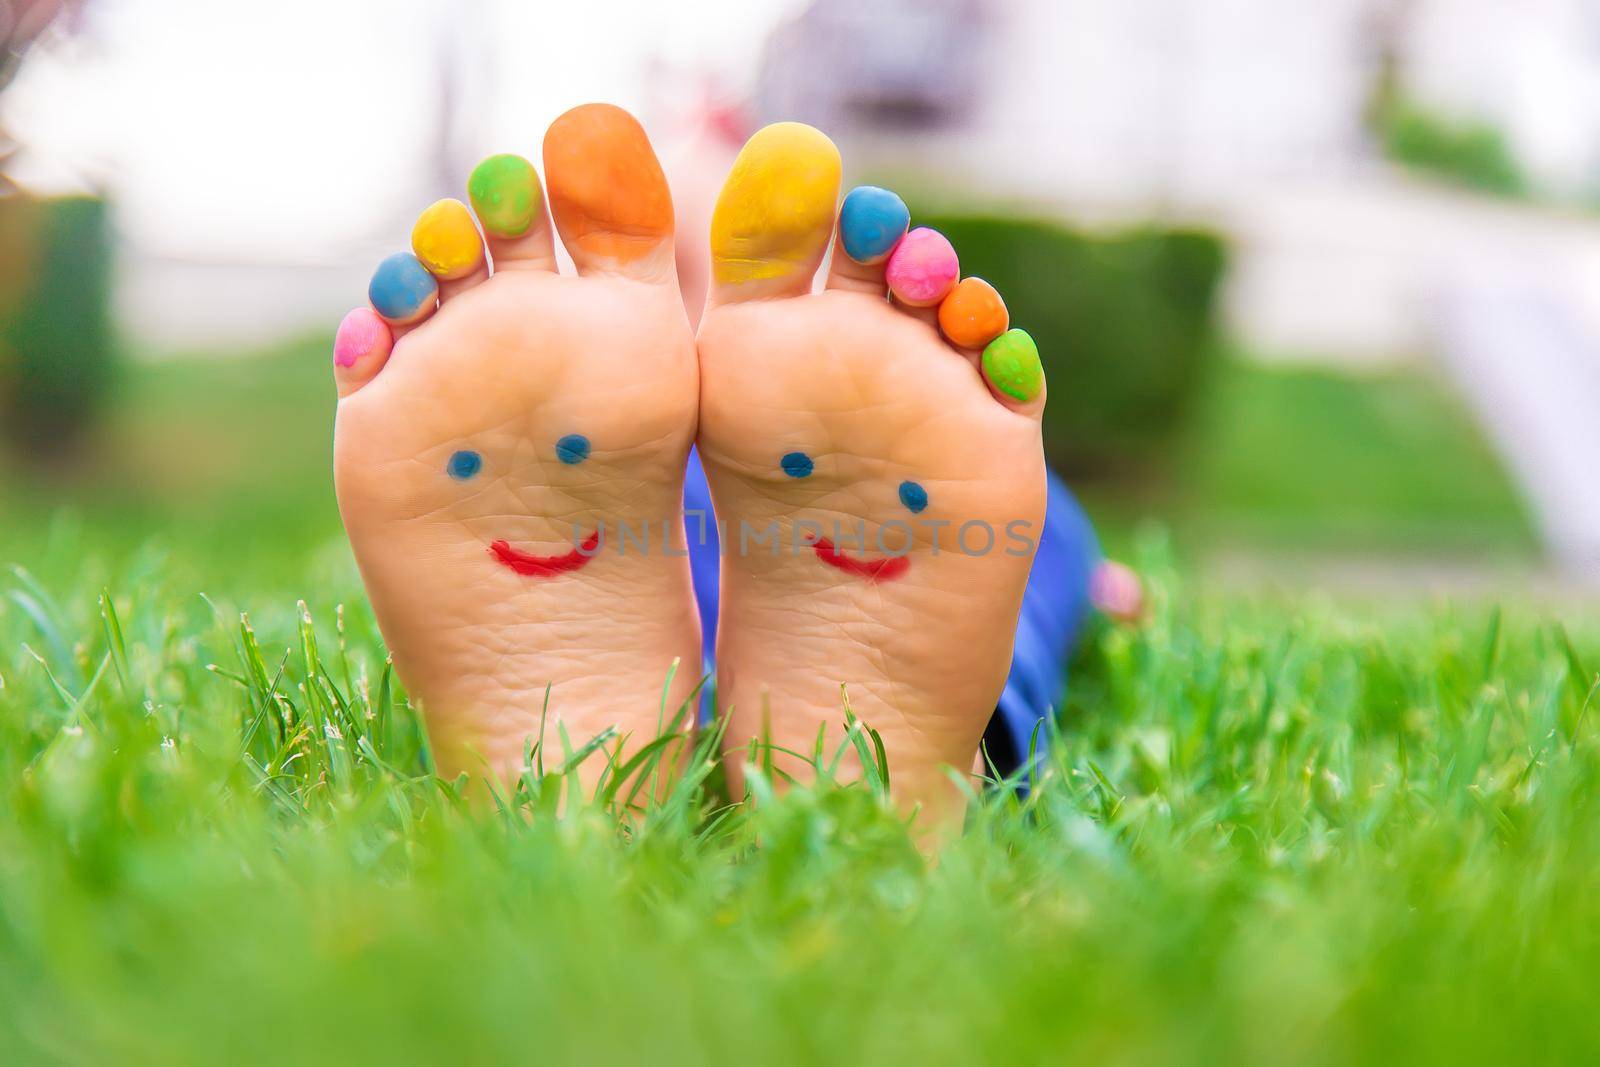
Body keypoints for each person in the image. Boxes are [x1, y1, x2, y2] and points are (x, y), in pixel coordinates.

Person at [330, 103, 1138, 839]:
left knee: (1007, 534)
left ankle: (577, 775)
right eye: (688, 283)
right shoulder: (944, 454)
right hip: (756, 497)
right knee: (1028, 552)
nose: (698, 336)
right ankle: (878, 777)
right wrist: (1091, 583)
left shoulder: (923, 437)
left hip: (747, 491)